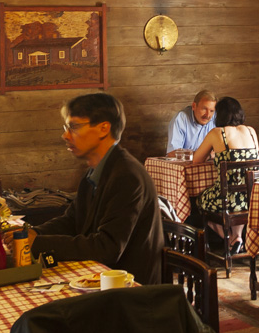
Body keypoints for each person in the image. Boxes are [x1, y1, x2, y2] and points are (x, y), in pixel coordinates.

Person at [31, 92, 164, 286]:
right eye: (66, 128)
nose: (65, 135)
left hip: (130, 287)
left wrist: (38, 243)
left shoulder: (127, 176)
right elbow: (72, 221)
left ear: (103, 128)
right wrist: (34, 233)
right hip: (101, 277)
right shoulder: (95, 171)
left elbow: (107, 248)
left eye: (74, 127)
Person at [192, 96, 259, 216]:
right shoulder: (251, 131)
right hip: (252, 198)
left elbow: (196, 160)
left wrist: (211, 155)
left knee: (196, 200)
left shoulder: (217, 132)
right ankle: (234, 230)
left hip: (226, 200)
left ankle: (218, 229)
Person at [167, 89, 217, 155]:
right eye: (204, 109)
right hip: (185, 162)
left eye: (211, 111)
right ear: (194, 106)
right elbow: (172, 153)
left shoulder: (216, 118)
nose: (208, 115)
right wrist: (203, 155)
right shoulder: (181, 119)